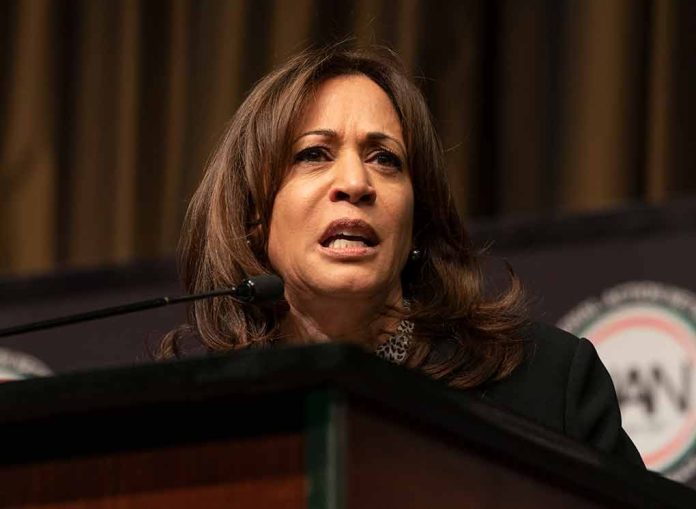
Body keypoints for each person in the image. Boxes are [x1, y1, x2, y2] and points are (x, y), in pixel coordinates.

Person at [161, 45, 643, 466]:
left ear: (418, 219)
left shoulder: (546, 384)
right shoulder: (194, 417)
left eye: (385, 159)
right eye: (314, 154)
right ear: (253, 218)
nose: (355, 183)